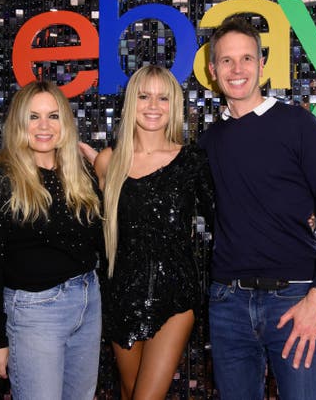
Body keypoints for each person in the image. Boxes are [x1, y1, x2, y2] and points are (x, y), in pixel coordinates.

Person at [199, 15, 316, 399]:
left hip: (294, 299)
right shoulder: (208, 141)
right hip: (228, 304)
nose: (237, 70)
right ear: (212, 69)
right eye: (227, 60)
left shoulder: (297, 125)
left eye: (247, 59)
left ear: (262, 65)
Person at [0, 81, 103, 400]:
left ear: (65, 123)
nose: (44, 126)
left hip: (88, 300)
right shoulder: (2, 177)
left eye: (53, 116)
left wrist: (104, 170)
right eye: (34, 117)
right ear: (19, 123)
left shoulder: (80, 172)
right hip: (35, 312)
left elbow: (106, 236)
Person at [92, 65, 213, 399]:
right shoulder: (107, 162)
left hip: (176, 295)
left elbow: (225, 219)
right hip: (121, 296)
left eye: (163, 97)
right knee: (130, 392)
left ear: (174, 105)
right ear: (132, 101)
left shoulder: (191, 161)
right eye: (144, 96)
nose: (153, 105)